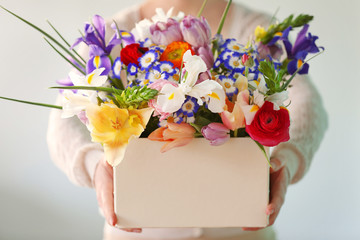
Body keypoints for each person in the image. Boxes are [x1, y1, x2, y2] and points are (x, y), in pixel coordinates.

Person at [47, 0, 328, 239]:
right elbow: (64, 119)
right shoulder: (110, 33)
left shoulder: (257, 31)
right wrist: (95, 165)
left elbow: (306, 103)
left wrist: (286, 161)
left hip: (241, 234)